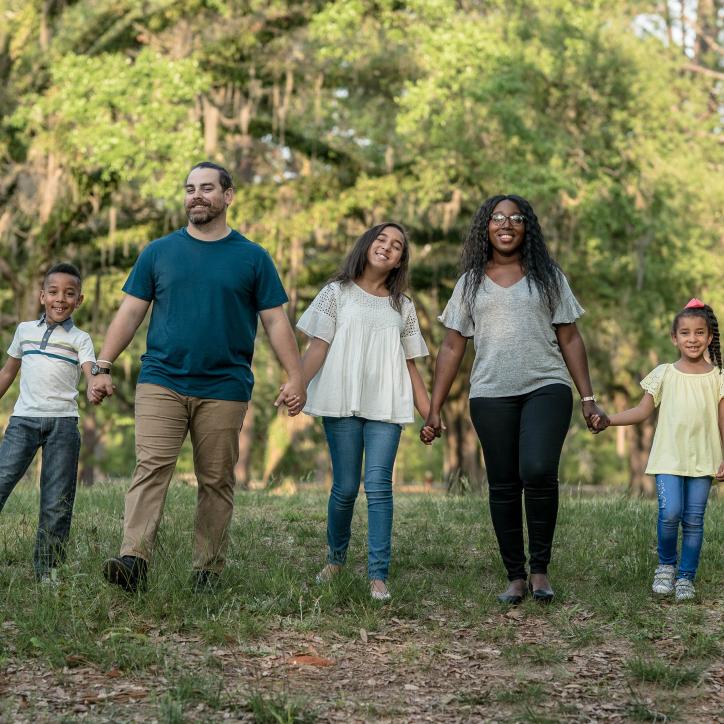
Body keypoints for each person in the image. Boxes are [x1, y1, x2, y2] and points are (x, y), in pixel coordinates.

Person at [92, 161, 305, 593]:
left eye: (207, 188)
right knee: (151, 467)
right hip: (161, 379)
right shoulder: (158, 252)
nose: (196, 196)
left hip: (224, 386)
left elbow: (276, 322)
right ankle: (133, 559)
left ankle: (207, 570)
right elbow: (131, 312)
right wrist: (102, 364)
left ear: (228, 197)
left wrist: (295, 376)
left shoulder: (253, 257)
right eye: (190, 188)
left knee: (215, 479)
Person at [421, 194, 607, 604]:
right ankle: (515, 576)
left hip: (547, 385)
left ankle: (540, 571)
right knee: (503, 483)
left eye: (516, 218)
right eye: (497, 218)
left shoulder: (548, 277)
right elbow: (452, 348)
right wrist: (434, 407)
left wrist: (588, 397)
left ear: (528, 227)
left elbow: (570, 337)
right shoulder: (469, 283)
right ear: (485, 227)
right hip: (490, 392)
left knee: (538, 469)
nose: (506, 224)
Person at [290, 222, 430, 601]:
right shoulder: (336, 294)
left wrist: (429, 412)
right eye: (381, 239)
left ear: (401, 259)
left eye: (397, 245)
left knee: (380, 486)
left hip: (386, 402)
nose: (387, 247)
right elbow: (317, 347)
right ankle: (336, 560)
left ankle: (378, 576)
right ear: (367, 244)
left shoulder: (403, 306)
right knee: (346, 487)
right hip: (342, 399)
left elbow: (412, 364)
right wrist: (297, 385)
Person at [592, 299, 723, 601]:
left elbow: (722, 420)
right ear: (674, 338)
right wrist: (609, 420)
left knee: (694, 520)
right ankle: (666, 566)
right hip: (667, 457)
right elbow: (641, 412)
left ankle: (686, 578)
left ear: (709, 337)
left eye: (699, 333)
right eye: (686, 333)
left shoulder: (718, 378)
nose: (693, 339)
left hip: (703, 459)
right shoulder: (664, 373)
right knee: (670, 512)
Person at [0, 263, 98, 583]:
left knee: (57, 500)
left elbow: (89, 369)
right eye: (53, 292)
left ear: (79, 300)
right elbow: (7, 373)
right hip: (24, 421)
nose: (61, 299)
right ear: (42, 296)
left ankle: (48, 571)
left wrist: (96, 383)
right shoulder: (24, 331)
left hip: (63, 425)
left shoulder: (81, 339)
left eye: (69, 294)